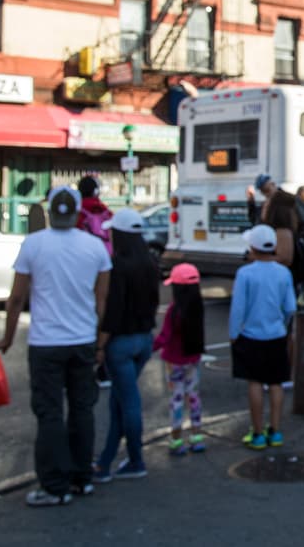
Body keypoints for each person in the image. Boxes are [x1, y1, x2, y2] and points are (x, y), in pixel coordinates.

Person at [0, 186, 111, 507]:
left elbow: (17, 298)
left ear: (50, 212)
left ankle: (54, 485)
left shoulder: (33, 244)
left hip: (45, 342)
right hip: (83, 340)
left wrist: (7, 337)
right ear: (77, 213)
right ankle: (81, 478)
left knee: (49, 414)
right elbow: (102, 300)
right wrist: (101, 339)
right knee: (82, 409)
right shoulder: (96, 248)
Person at [92, 207, 160, 483]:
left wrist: (99, 345)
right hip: (144, 339)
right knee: (120, 400)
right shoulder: (150, 262)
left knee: (127, 402)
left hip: (120, 342)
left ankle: (135, 459)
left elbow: (112, 310)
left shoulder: (117, 265)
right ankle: (107, 460)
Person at [229, 224, 296, 450]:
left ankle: (257, 432)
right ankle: (275, 431)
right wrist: (283, 327)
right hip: (276, 334)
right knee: (276, 383)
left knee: (255, 382)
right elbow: (290, 307)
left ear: (253, 247)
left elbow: (237, 309)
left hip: (251, 335)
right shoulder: (283, 272)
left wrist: (233, 334)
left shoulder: (245, 273)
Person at [154, 263, 206, 456]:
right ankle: (197, 435)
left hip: (173, 360)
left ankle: (176, 438)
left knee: (176, 398)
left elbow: (165, 336)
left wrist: (150, 347)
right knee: (193, 395)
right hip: (193, 358)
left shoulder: (174, 310)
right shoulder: (198, 306)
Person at [76, 175, 113, 254]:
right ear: (96, 191)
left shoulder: (76, 212)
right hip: (104, 253)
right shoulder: (105, 210)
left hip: (82, 252)